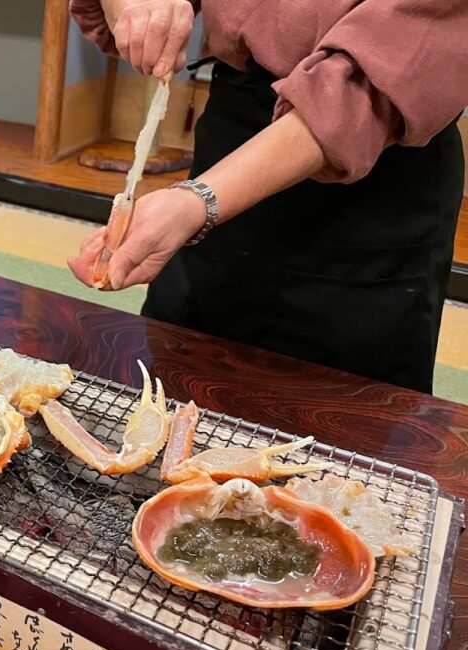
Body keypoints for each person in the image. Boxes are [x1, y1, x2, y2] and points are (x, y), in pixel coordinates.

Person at [68, 0, 468, 393]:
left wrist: (195, 202)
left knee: (337, 415)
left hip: (371, 175)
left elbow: (379, 77)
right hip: (230, 128)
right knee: (174, 377)